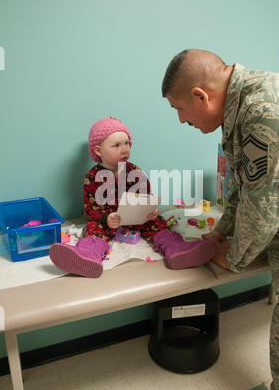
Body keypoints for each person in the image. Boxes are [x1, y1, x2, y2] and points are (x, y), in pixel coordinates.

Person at [162, 49, 279, 390]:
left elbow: (266, 207)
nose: (180, 120)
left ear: (200, 96)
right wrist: (221, 231)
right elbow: (246, 187)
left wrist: (232, 257)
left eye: (179, 109)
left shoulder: (263, 112)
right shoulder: (243, 106)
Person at [49, 116, 215, 278]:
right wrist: (106, 218)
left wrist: (151, 210)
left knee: (157, 222)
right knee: (93, 227)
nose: (125, 149)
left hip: (137, 219)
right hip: (109, 221)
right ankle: (87, 256)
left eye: (127, 143)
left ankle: (176, 249)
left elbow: (146, 196)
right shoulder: (92, 176)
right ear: (99, 151)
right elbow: (91, 208)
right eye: (116, 145)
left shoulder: (133, 171)